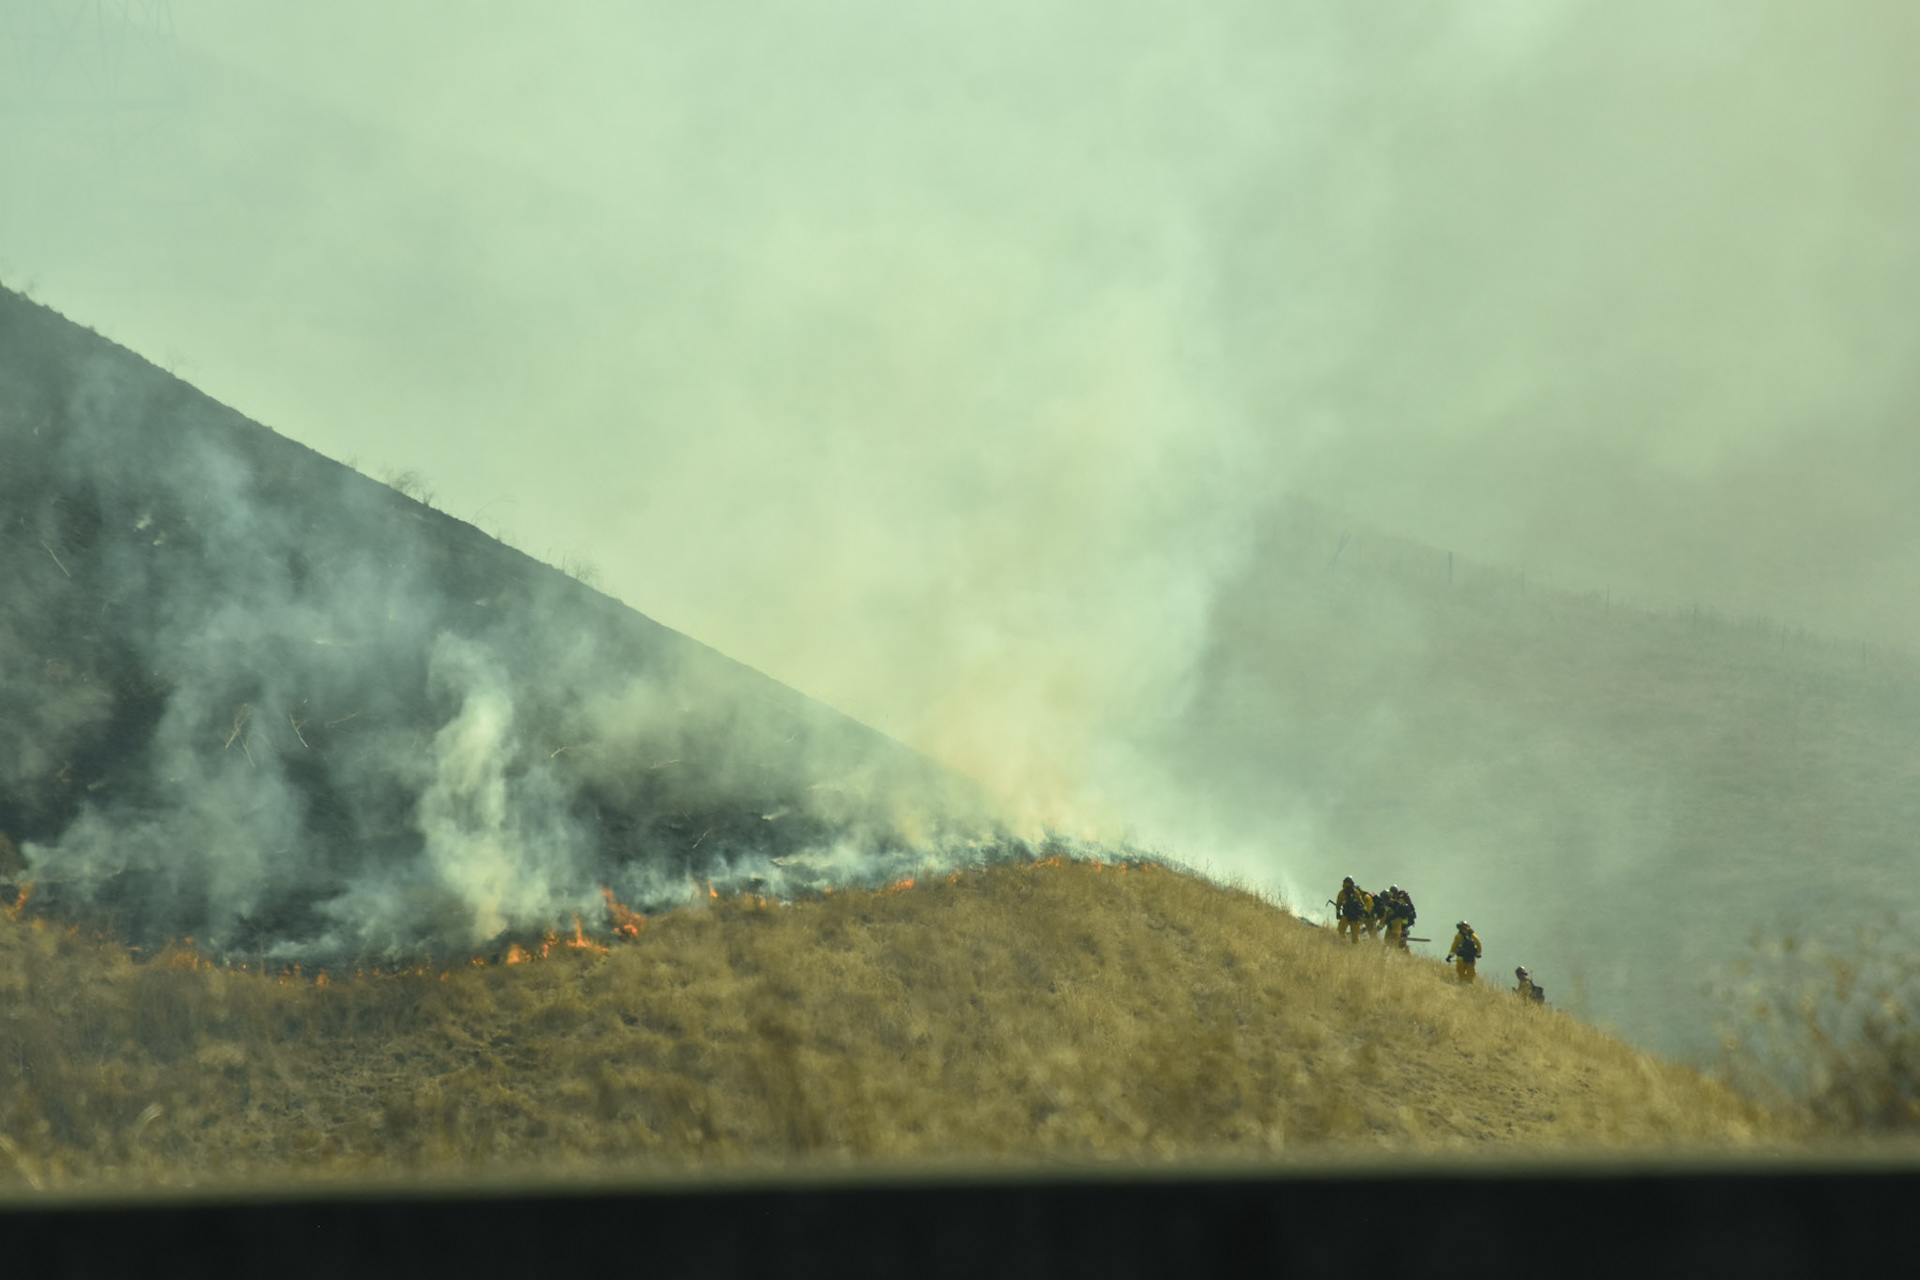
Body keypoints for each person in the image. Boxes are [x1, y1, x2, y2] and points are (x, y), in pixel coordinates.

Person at [1333, 876, 1372, 944]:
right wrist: (1337, 913)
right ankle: (1343, 944)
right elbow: (1338, 905)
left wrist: (1365, 911)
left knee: (1355, 936)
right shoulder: (1341, 894)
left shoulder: (1356, 892)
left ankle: (1355, 947)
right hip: (1346, 915)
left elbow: (1361, 902)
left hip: (1355, 917)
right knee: (1341, 931)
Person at [1380, 884, 1416, 950]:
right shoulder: (1394, 901)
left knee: (1396, 939)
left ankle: (1402, 948)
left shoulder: (1399, 901)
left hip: (1402, 921)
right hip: (1398, 922)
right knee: (1395, 940)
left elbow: (1398, 913)